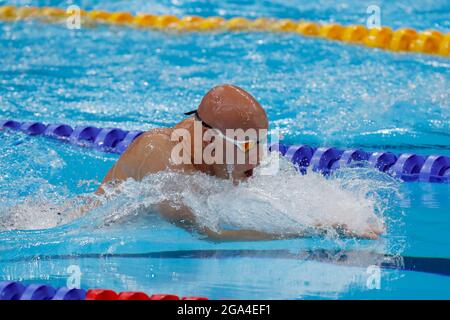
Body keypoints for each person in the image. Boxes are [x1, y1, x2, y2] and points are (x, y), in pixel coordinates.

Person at [95, 84, 382, 240]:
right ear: (210, 139)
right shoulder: (166, 164)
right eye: (247, 144)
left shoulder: (210, 142)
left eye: (260, 142)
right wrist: (316, 229)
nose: (259, 157)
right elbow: (212, 235)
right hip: (89, 230)